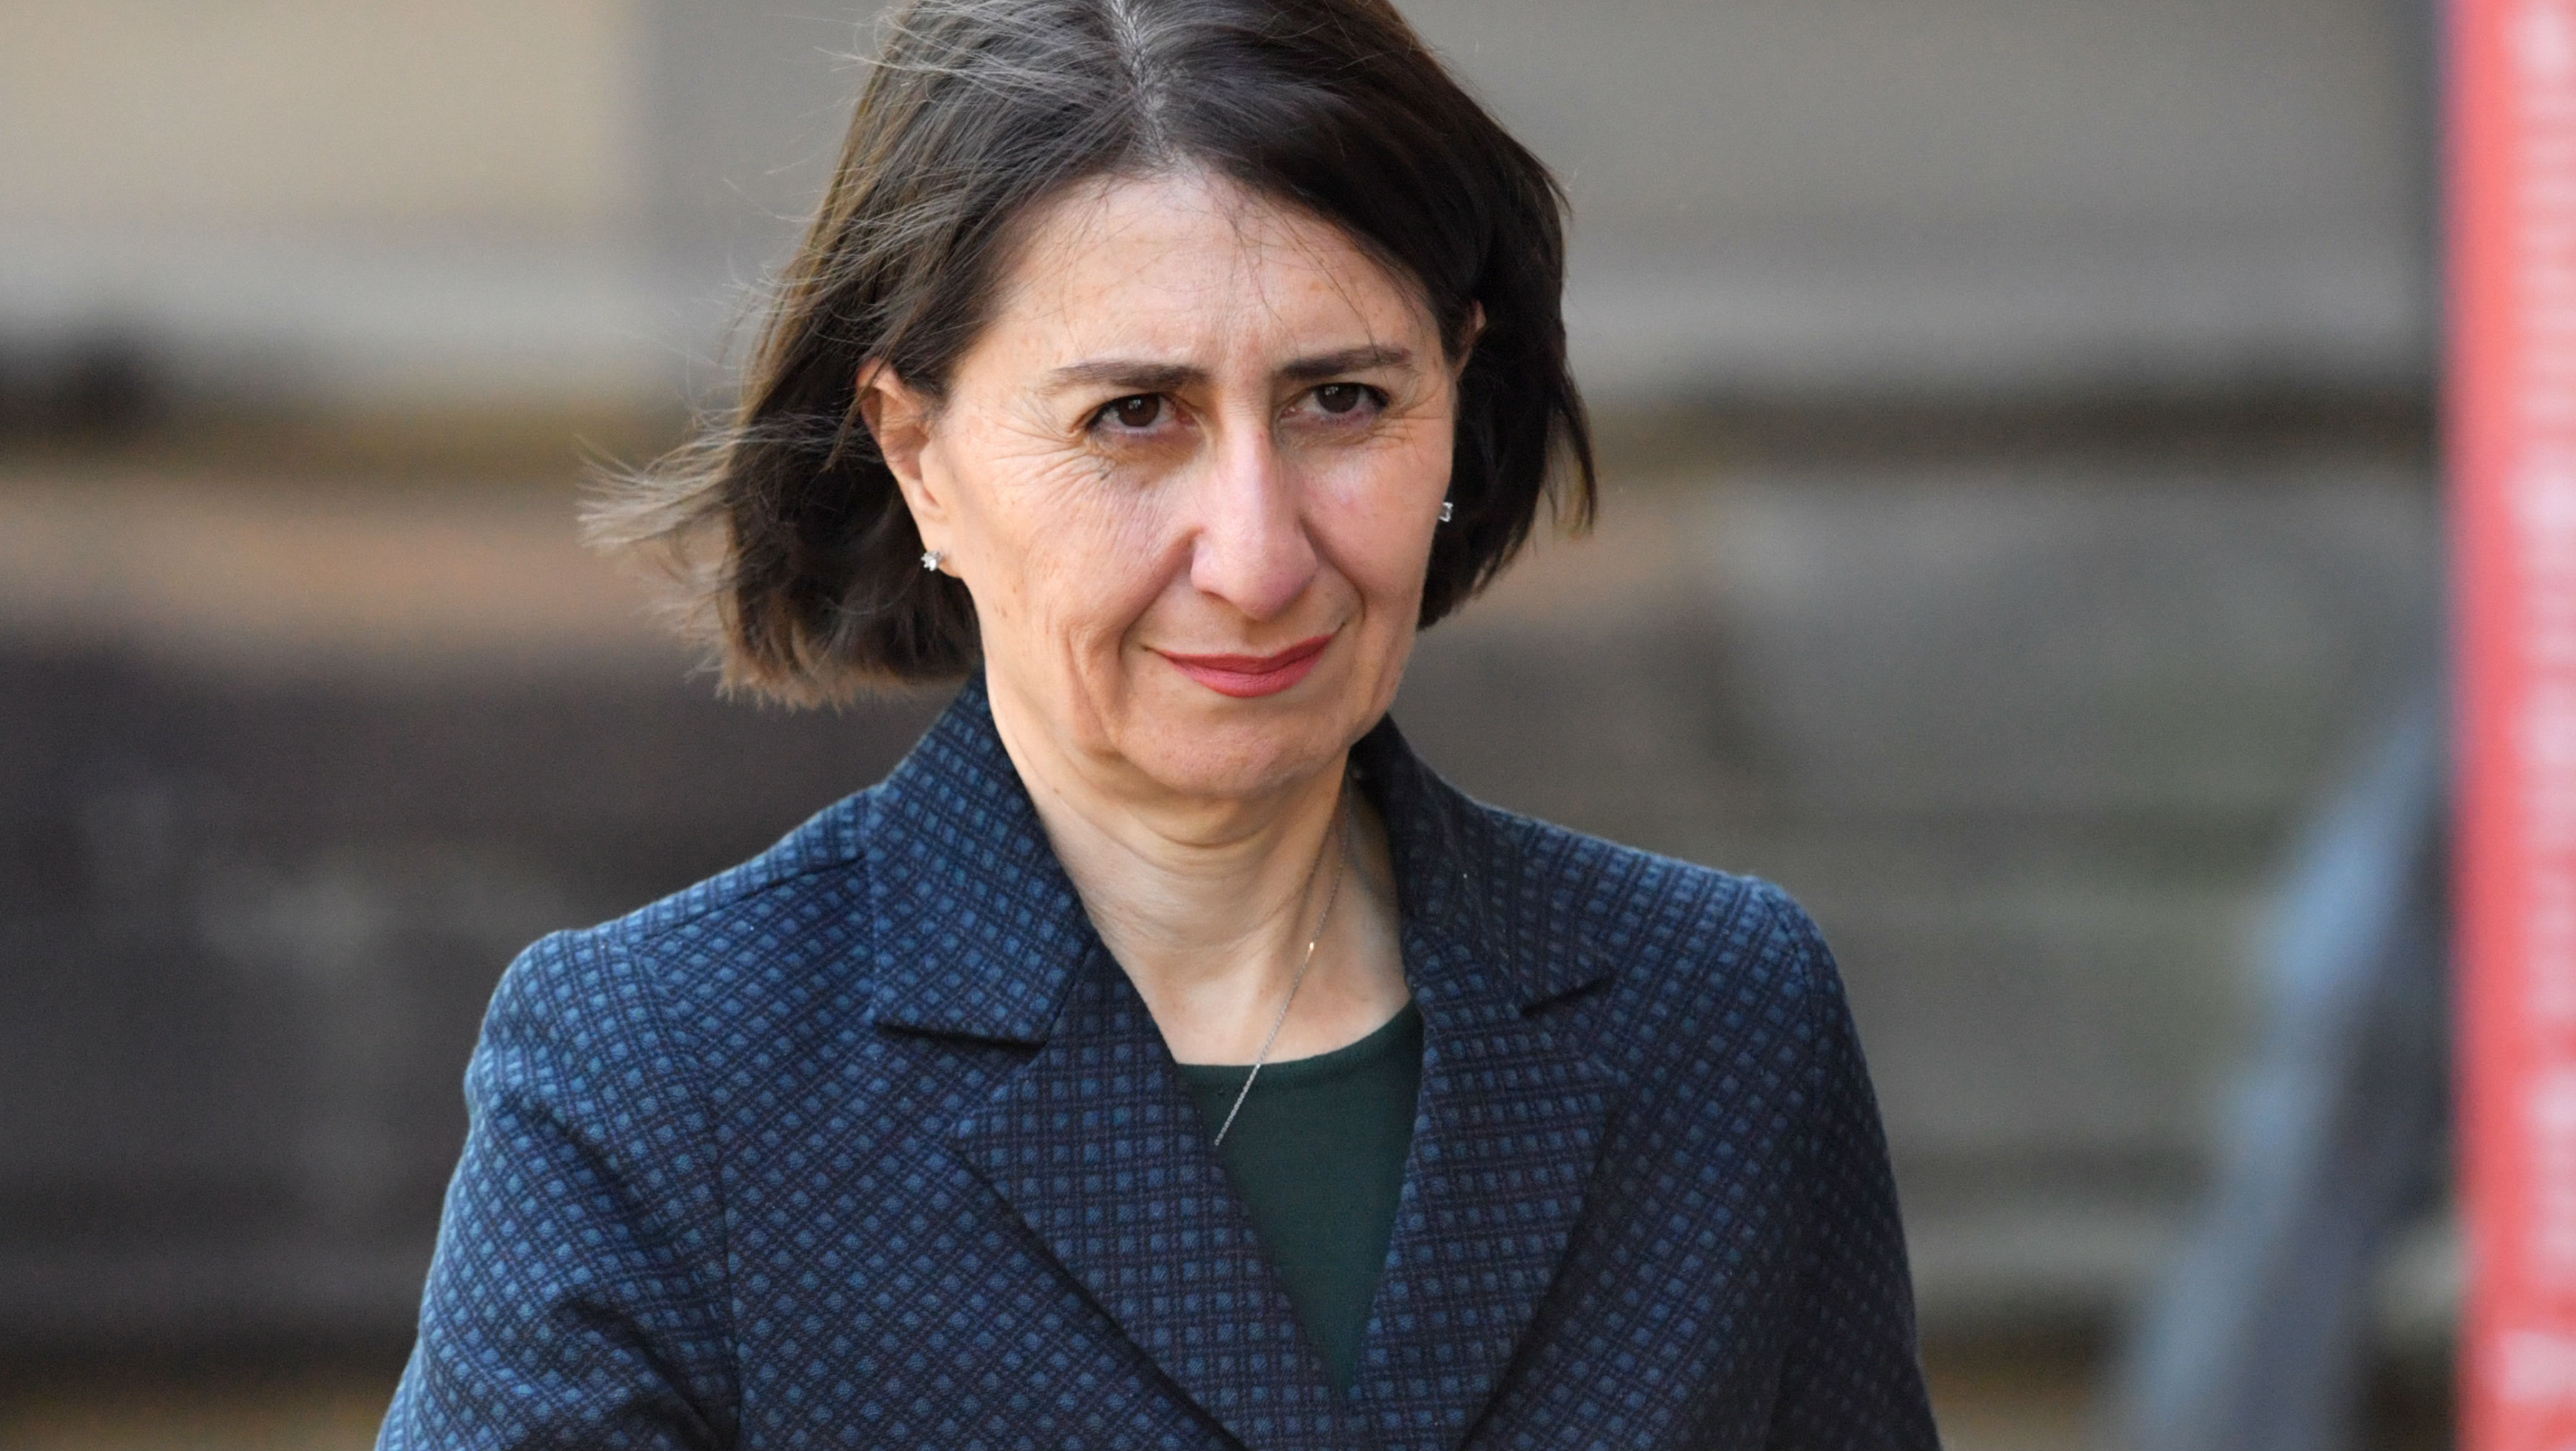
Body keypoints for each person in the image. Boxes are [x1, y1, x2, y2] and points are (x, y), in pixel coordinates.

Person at [379, 0, 1939, 1446]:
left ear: (1458, 393)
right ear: (919, 453)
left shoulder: (1723, 1023)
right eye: (1136, 417)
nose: (1257, 558)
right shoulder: (668, 1079)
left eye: (1342, 400)